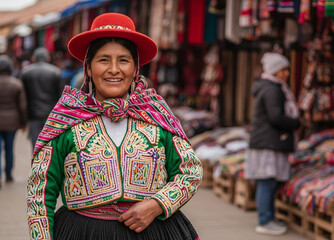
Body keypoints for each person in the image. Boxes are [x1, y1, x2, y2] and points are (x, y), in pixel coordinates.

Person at [26, 13, 202, 240]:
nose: (114, 69)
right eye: (103, 60)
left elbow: (191, 171)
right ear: (88, 68)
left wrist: (157, 204)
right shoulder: (66, 120)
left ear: (135, 68)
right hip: (84, 234)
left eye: (123, 60)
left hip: (154, 232)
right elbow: (39, 194)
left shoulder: (156, 116)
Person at [244, 52, 301, 235]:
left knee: (268, 181)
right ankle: (265, 220)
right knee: (267, 182)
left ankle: (268, 217)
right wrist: (297, 122)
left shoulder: (269, 87)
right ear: (275, 70)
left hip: (267, 142)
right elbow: (276, 116)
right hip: (268, 143)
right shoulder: (272, 89)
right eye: (283, 70)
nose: (286, 74)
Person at [21, 47, 63, 148]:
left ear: (34, 58)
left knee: (35, 146)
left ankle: (36, 163)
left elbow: (23, 98)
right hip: (51, 115)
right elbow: (61, 96)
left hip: (33, 115)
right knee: (51, 147)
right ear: (48, 58)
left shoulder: (26, 72)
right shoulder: (55, 72)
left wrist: (24, 119)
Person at [0, 55, 27, 186]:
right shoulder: (16, 83)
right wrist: (23, 123)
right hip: (12, 123)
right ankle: (9, 174)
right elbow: (22, 106)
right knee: (9, 148)